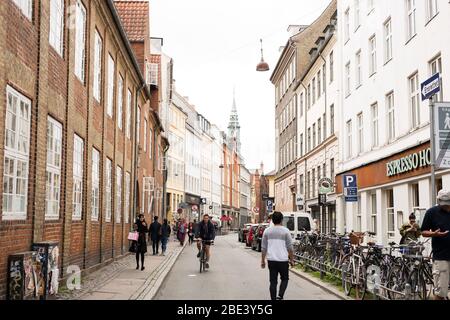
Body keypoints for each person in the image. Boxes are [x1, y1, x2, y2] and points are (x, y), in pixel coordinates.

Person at [421, 189, 450, 300]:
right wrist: (434, 234)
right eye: (443, 204)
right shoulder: (431, 212)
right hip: (441, 257)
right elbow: (423, 231)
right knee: (440, 292)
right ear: (438, 200)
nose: (446, 206)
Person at [261, 211, 294, 301]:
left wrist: (262, 261)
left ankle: (273, 299)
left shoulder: (267, 231)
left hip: (271, 260)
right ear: (282, 220)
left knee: (273, 282)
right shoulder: (286, 231)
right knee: (285, 279)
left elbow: (263, 247)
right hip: (283, 260)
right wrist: (292, 260)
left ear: (272, 220)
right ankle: (280, 296)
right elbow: (290, 247)